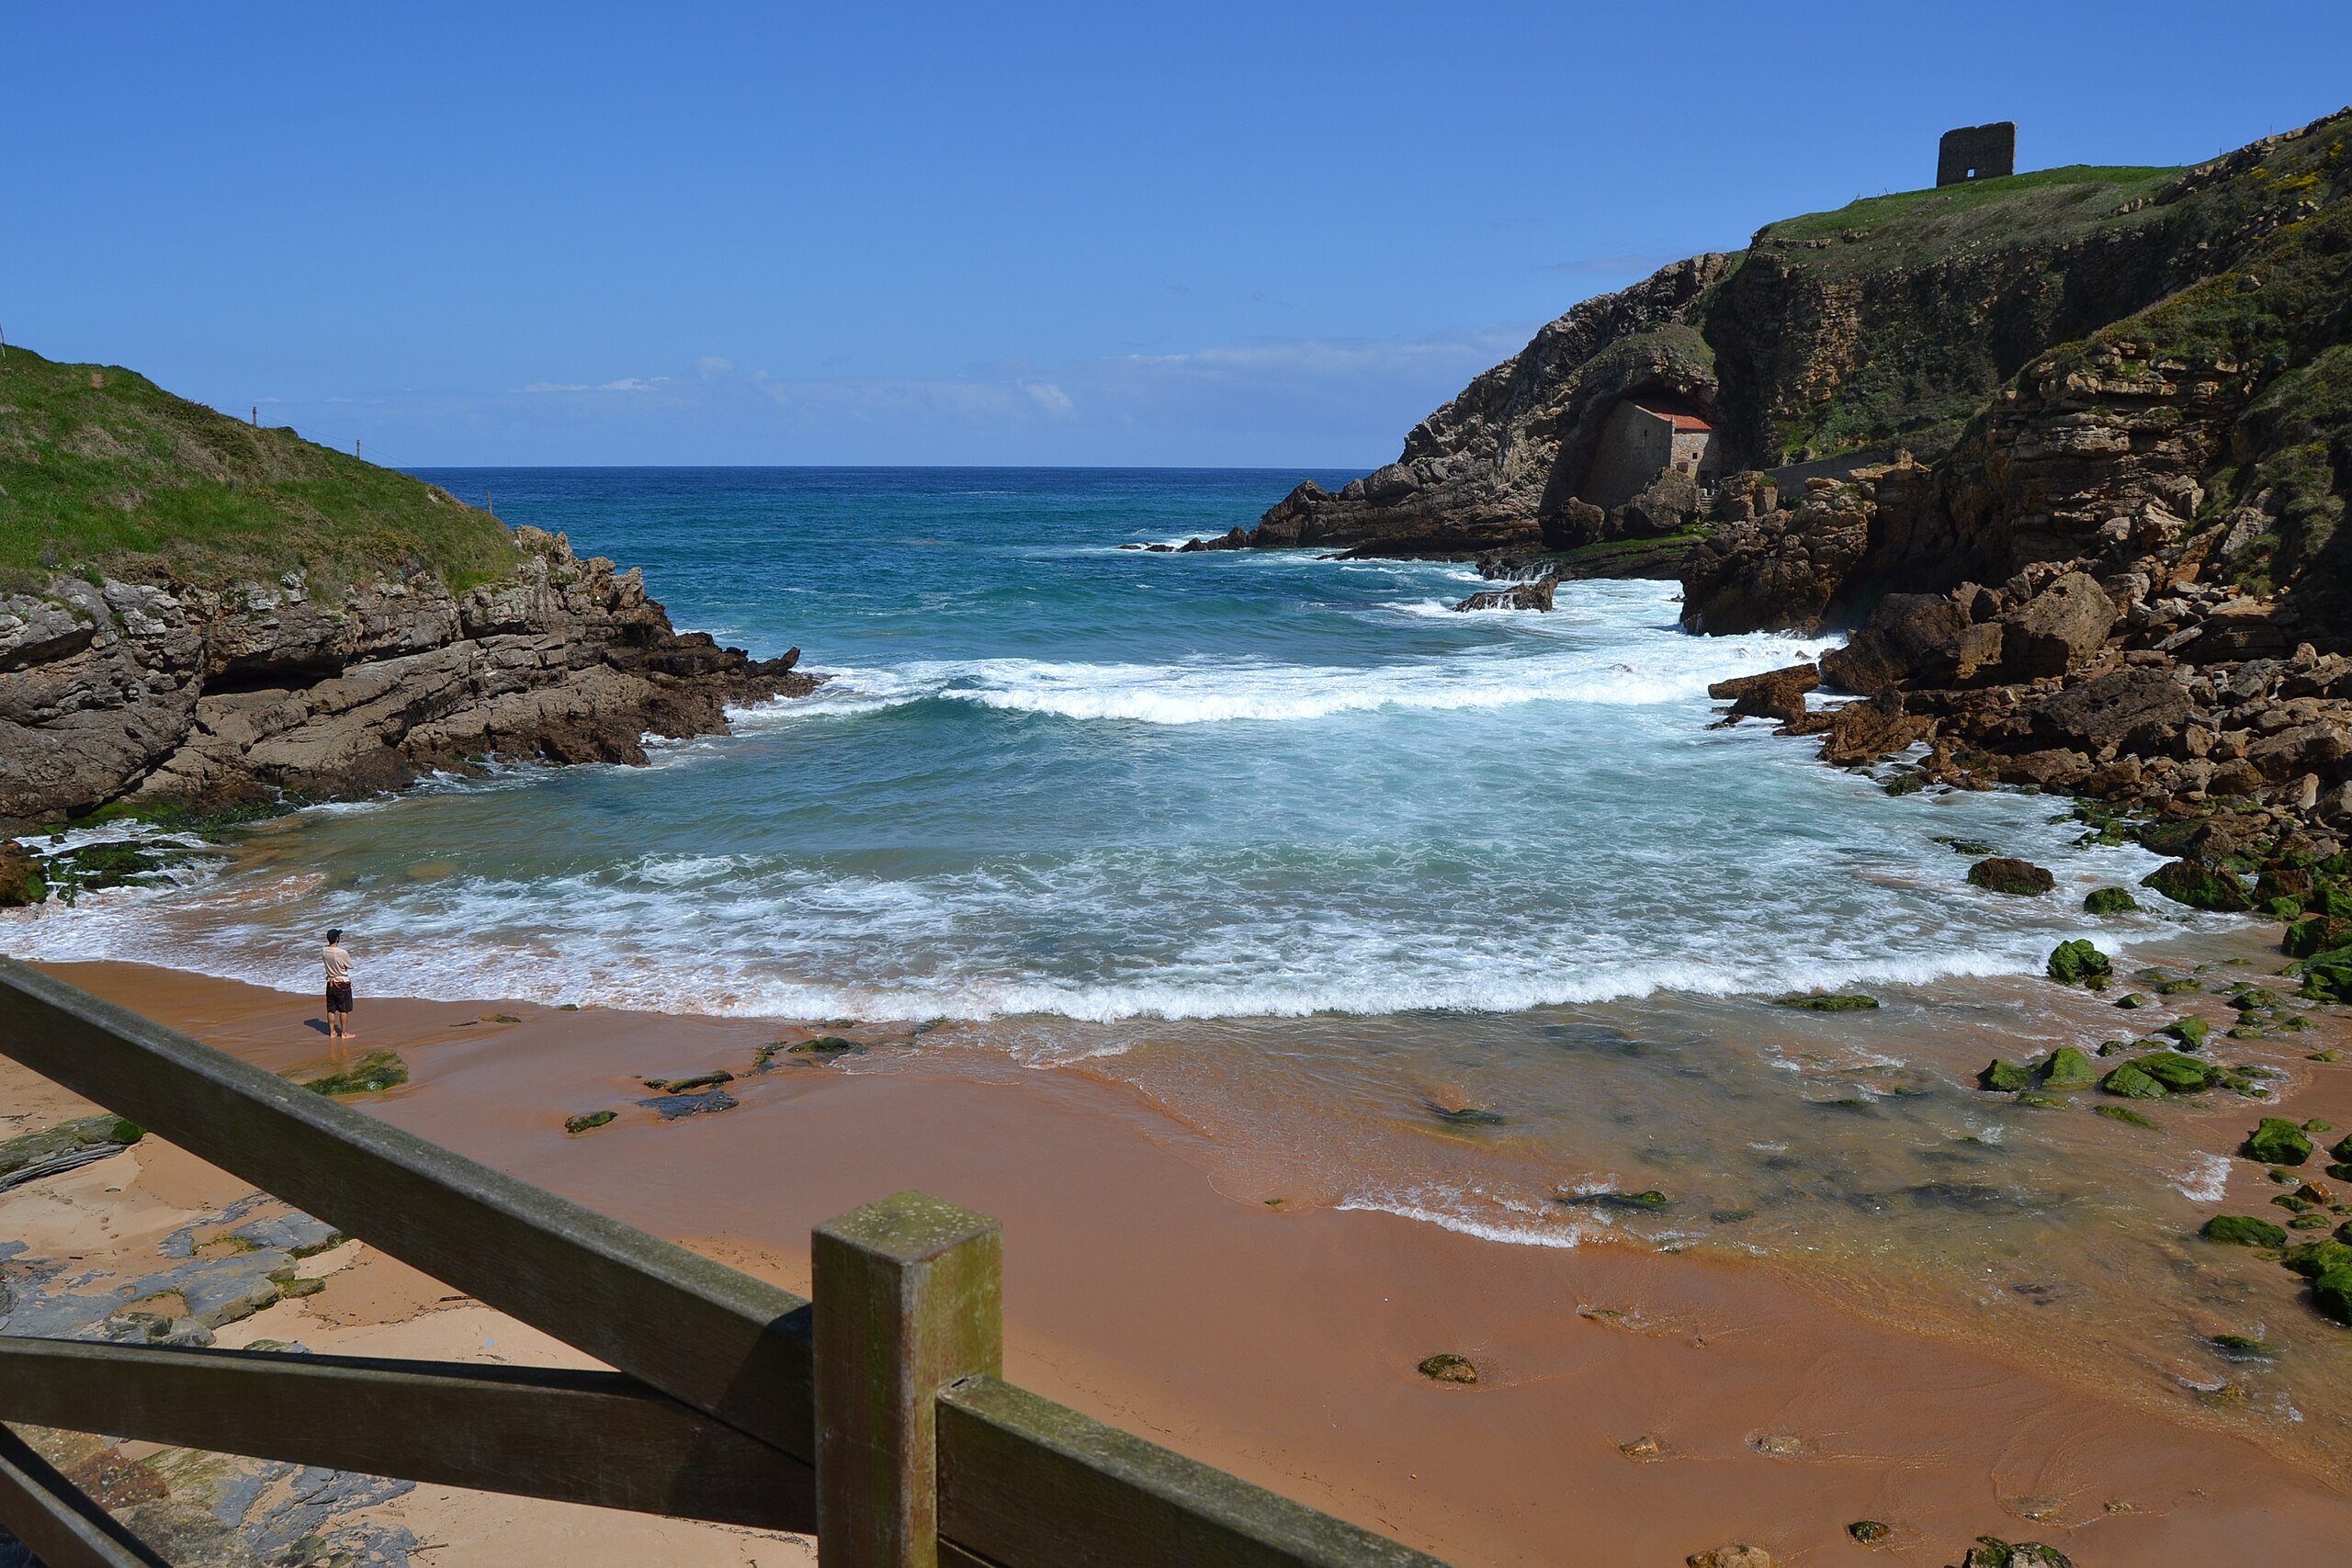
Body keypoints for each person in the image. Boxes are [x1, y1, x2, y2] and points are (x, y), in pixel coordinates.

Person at [322, 929, 356, 1047]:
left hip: (330, 982)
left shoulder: (324, 951)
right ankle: (344, 1033)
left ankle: (332, 1032)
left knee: (331, 1009)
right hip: (342, 983)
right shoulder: (342, 952)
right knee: (343, 1009)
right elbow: (351, 965)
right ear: (337, 939)